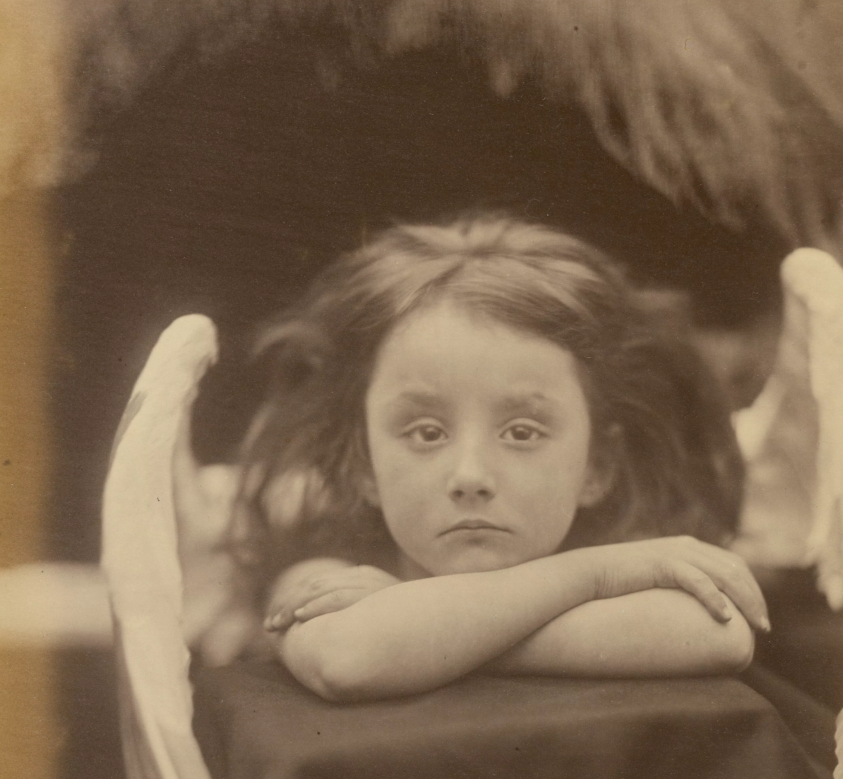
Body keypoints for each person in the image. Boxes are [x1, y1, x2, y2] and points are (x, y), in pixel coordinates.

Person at [233, 213, 770, 702]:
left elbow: (719, 634)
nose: (470, 476)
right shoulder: (324, 574)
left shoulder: (620, 560)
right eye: (425, 432)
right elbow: (349, 657)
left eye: (521, 432)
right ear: (362, 465)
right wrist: (597, 576)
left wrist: (421, 625)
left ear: (597, 467)